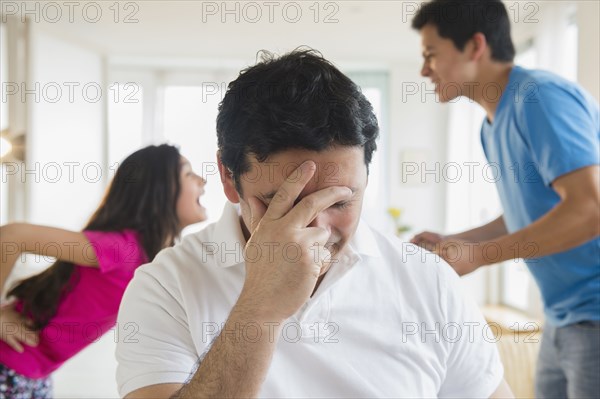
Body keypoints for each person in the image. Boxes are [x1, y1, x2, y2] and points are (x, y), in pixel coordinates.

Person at [115, 49, 512, 398]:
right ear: (227, 176)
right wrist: (260, 309)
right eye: (282, 202)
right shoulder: (165, 287)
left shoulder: (429, 282)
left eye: (340, 200)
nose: (316, 229)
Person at [409, 1, 600, 398]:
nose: (424, 70)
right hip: (563, 316)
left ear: (475, 46)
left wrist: (479, 256)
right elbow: (521, 215)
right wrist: (456, 242)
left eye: (431, 55)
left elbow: (589, 208)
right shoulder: (491, 125)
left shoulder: (539, 98)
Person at [0, 144, 207, 398]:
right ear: (159, 191)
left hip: (35, 374)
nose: (202, 179)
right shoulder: (122, 249)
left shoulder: (152, 261)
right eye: (188, 174)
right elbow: (11, 236)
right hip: (10, 366)